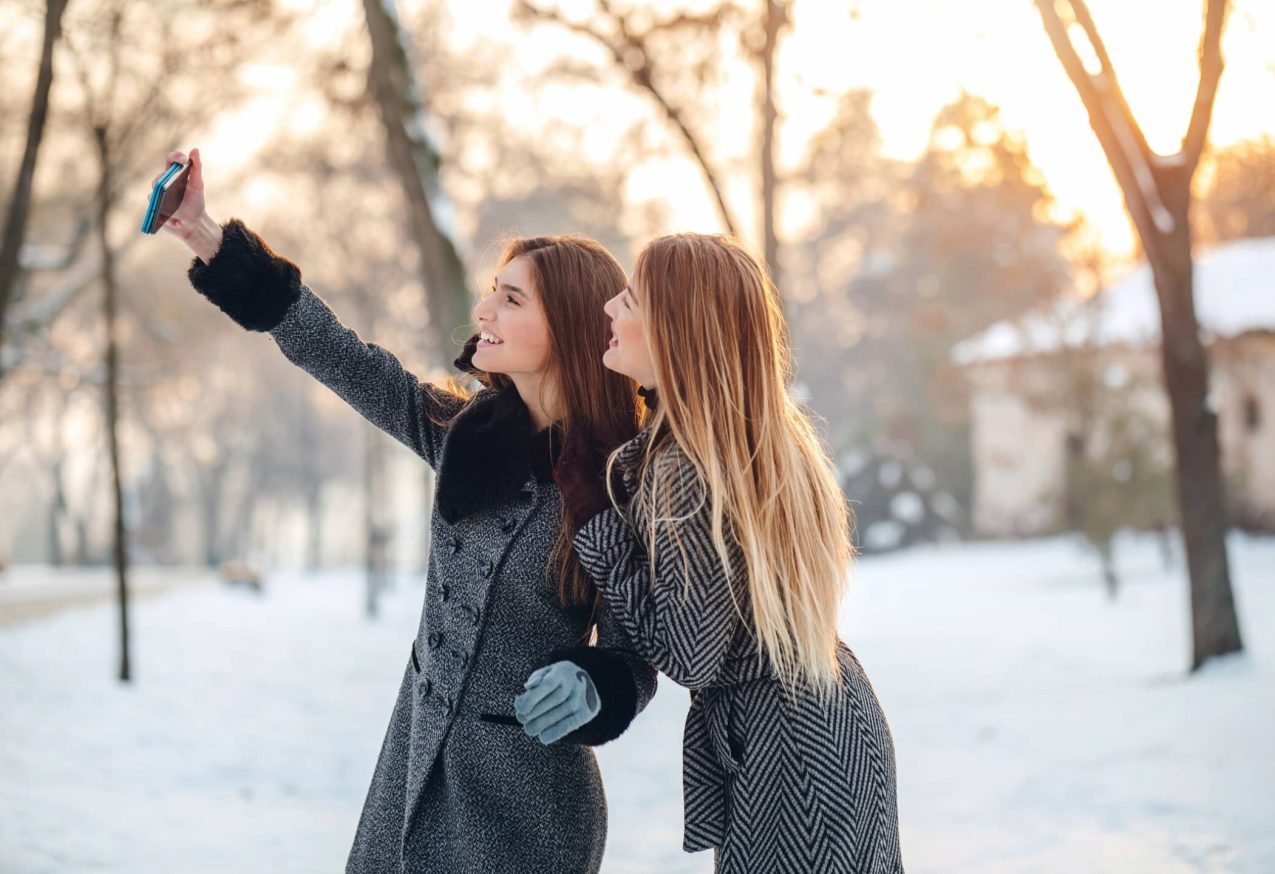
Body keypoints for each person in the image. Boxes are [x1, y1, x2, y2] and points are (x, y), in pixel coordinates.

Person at [156, 148, 657, 874]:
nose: (482, 309)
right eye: (491, 290)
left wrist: (594, 681)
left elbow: (634, 653)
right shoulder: (470, 436)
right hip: (412, 770)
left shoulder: (618, 480)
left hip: (527, 806)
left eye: (511, 300)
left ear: (572, 328)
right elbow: (341, 356)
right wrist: (206, 235)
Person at [536, 233, 903, 872]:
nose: (609, 311)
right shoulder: (753, 443)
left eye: (629, 300)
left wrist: (598, 522)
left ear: (677, 328)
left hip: (786, 751)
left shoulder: (686, 468)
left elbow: (691, 655)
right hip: (830, 720)